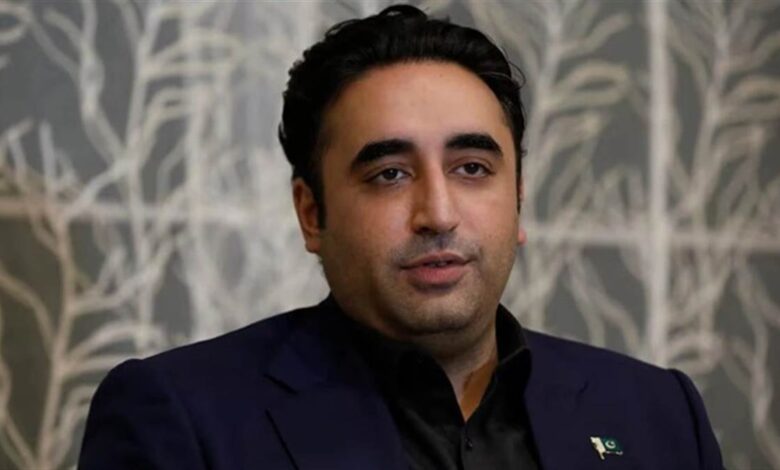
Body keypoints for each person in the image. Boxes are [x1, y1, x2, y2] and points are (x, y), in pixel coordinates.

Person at [79, 5, 724, 469]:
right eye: (389, 174)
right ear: (312, 214)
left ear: (518, 199)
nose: (438, 213)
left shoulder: (658, 415)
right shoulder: (182, 419)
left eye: (472, 169)